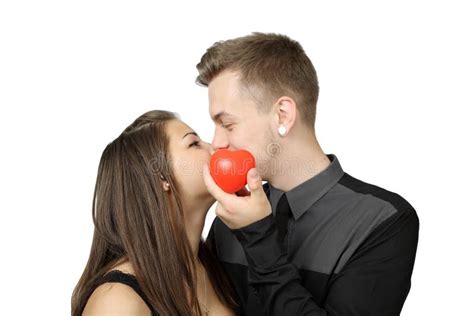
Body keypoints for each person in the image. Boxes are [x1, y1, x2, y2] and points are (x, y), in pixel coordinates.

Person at [196, 32, 419, 315]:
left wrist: (258, 237)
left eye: (227, 124)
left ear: (283, 116)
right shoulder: (230, 218)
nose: (216, 143)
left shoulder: (384, 220)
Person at [71, 110, 240, 315]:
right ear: (161, 177)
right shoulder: (116, 301)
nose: (215, 146)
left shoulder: (217, 264)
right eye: (194, 143)